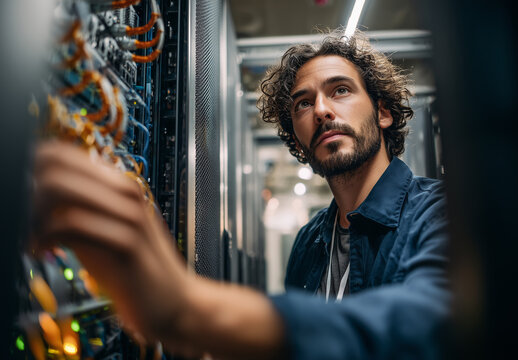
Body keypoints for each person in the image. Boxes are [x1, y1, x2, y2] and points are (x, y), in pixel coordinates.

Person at [33, 29, 450, 359]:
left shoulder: (439, 213)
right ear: (297, 137)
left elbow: (425, 325)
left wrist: (188, 308)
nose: (321, 110)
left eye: (340, 90)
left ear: (382, 111)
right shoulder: (310, 241)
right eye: (303, 103)